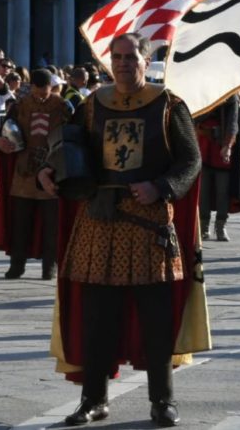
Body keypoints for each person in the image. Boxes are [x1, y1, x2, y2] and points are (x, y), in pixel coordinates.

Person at [39, 33, 208, 427]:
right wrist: (51, 170)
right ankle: (94, 400)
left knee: (155, 318)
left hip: (149, 225)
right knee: (97, 316)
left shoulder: (169, 105)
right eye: (116, 57)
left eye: (131, 57)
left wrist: (160, 187)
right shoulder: (93, 104)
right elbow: (67, 148)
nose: (122, 63)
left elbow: (191, 161)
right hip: (99, 221)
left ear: (146, 61)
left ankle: (162, 400)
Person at [0, 68, 70, 280]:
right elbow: (3, 130)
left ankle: (49, 266)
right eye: (39, 88)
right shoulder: (20, 106)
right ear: (32, 86)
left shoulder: (62, 106)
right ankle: (17, 264)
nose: (42, 93)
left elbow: (73, 134)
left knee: (52, 223)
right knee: (20, 223)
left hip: (52, 167)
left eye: (46, 89)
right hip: (23, 170)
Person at [195, 93, 240, 241]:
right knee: (203, 190)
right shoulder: (201, 91)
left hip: (220, 146)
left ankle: (220, 225)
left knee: (222, 190)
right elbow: (192, 117)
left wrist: (228, 145)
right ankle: (204, 226)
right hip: (202, 146)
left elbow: (232, 123)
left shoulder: (230, 95)